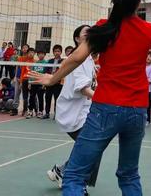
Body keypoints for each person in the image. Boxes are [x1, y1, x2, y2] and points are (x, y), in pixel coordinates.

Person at [31, 0, 151, 196]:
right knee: (129, 175)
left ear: (114, 1)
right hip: (137, 111)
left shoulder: (104, 27)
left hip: (106, 108)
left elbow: (76, 57)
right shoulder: (148, 29)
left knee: (74, 175)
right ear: (138, 4)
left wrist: (53, 79)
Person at [47, 24, 101, 190]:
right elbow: (83, 88)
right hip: (72, 113)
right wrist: (105, 99)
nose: (90, 32)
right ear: (78, 38)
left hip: (84, 111)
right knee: (92, 147)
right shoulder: (78, 58)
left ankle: (63, 171)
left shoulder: (89, 59)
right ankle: (76, 181)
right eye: (86, 32)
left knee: (92, 147)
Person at [43, 44, 64, 119]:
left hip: (57, 83)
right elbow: (45, 71)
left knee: (57, 99)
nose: (57, 53)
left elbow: (63, 71)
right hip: (49, 82)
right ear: (53, 52)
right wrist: (45, 81)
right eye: (55, 51)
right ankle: (47, 113)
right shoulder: (50, 61)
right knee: (47, 98)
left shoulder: (63, 61)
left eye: (58, 51)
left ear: (61, 52)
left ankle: (56, 114)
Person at [11, 44, 31, 116]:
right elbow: (17, 67)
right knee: (16, 94)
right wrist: (15, 77)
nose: (25, 49)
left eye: (26, 48)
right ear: (21, 49)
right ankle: (14, 109)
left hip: (26, 79)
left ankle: (27, 109)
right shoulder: (19, 58)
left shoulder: (30, 59)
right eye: (23, 48)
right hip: (18, 78)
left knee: (26, 95)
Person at [28, 49, 47, 118]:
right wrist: (29, 83)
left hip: (41, 83)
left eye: (42, 54)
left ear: (44, 55)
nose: (41, 55)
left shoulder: (46, 63)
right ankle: (30, 111)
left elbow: (46, 74)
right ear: (37, 55)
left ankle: (40, 112)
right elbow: (31, 73)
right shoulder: (35, 63)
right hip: (33, 83)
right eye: (39, 54)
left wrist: (44, 84)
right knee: (31, 97)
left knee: (40, 98)